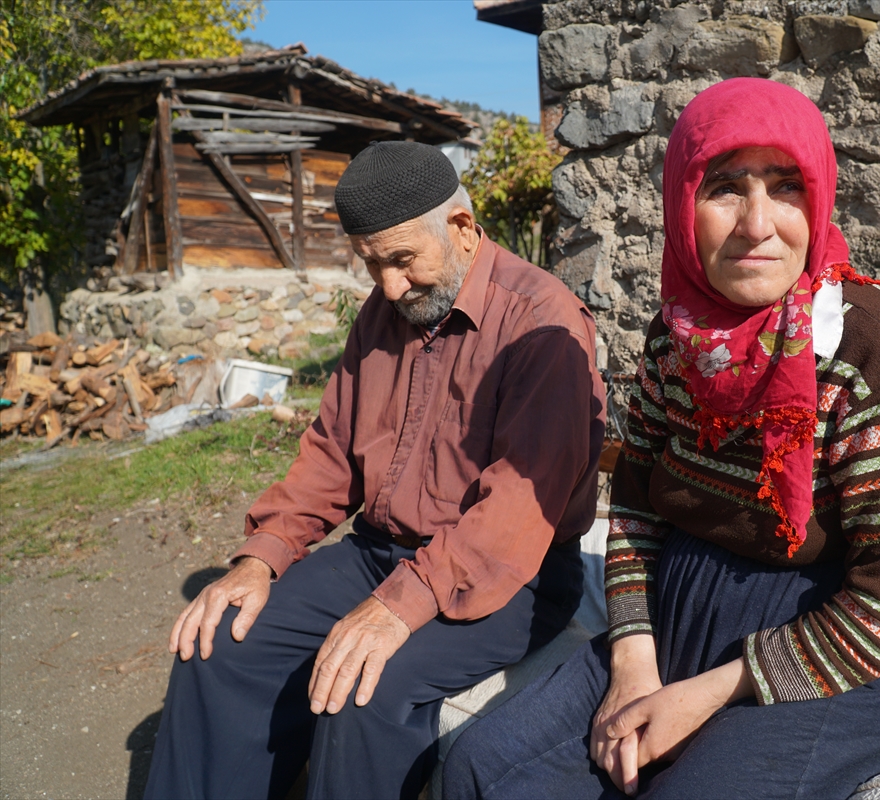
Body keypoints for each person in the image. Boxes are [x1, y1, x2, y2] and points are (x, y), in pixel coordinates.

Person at [443, 78, 880, 799]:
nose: (757, 224)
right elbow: (636, 507)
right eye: (724, 188)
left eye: (785, 188)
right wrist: (632, 657)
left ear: (819, 198)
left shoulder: (868, 343)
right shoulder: (673, 337)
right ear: (683, 206)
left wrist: (712, 691)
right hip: (677, 617)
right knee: (482, 768)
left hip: (833, 648)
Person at [143, 142, 605, 800]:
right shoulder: (383, 314)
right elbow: (332, 454)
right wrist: (259, 560)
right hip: (380, 554)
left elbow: (511, 519)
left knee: (365, 692)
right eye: (372, 264)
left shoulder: (542, 323)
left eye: (402, 260)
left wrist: (397, 609)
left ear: (463, 229)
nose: (389, 286)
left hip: (513, 574)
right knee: (219, 642)